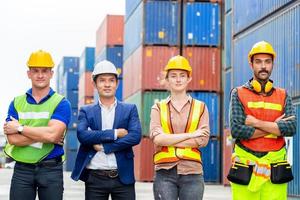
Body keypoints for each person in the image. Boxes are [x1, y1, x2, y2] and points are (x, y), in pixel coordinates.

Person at [229, 41, 297, 199]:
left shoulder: (283, 95)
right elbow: (237, 130)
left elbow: (291, 128)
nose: (263, 66)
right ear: (251, 64)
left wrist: (255, 122)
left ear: (273, 64)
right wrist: (275, 126)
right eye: (258, 62)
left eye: (267, 61)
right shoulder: (238, 93)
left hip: (275, 169)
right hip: (245, 167)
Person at [3, 50, 71, 200]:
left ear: (51, 73)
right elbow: (13, 140)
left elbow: (53, 135)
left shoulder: (61, 103)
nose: (40, 75)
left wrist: (20, 128)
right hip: (22, 170)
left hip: (51, 169)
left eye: (45, 71)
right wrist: (46, 135)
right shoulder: (16, 103)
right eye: (36, 71)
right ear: (29, 74)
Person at [71, 60, 142, 200]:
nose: (107, 84)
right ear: (94, 84)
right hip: (95, 177)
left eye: (111, 80)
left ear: (117, 83)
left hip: (123, 177)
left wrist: (105, 146)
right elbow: (83, 135)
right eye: (102, 80)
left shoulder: (130, 109)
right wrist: (116, 133)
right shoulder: (86, 111)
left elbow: (135, 136)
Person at [150, 55, 210, 200]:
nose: (178, 79)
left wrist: (169, 139)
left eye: (182, 75)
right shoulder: (158, 107)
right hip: (164, 172)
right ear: (167, 79)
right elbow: (158, 139)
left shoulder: (200, 107)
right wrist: (190, 135)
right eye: (173, 76)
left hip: (193, 172)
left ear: (189, 78)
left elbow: (202, 140)